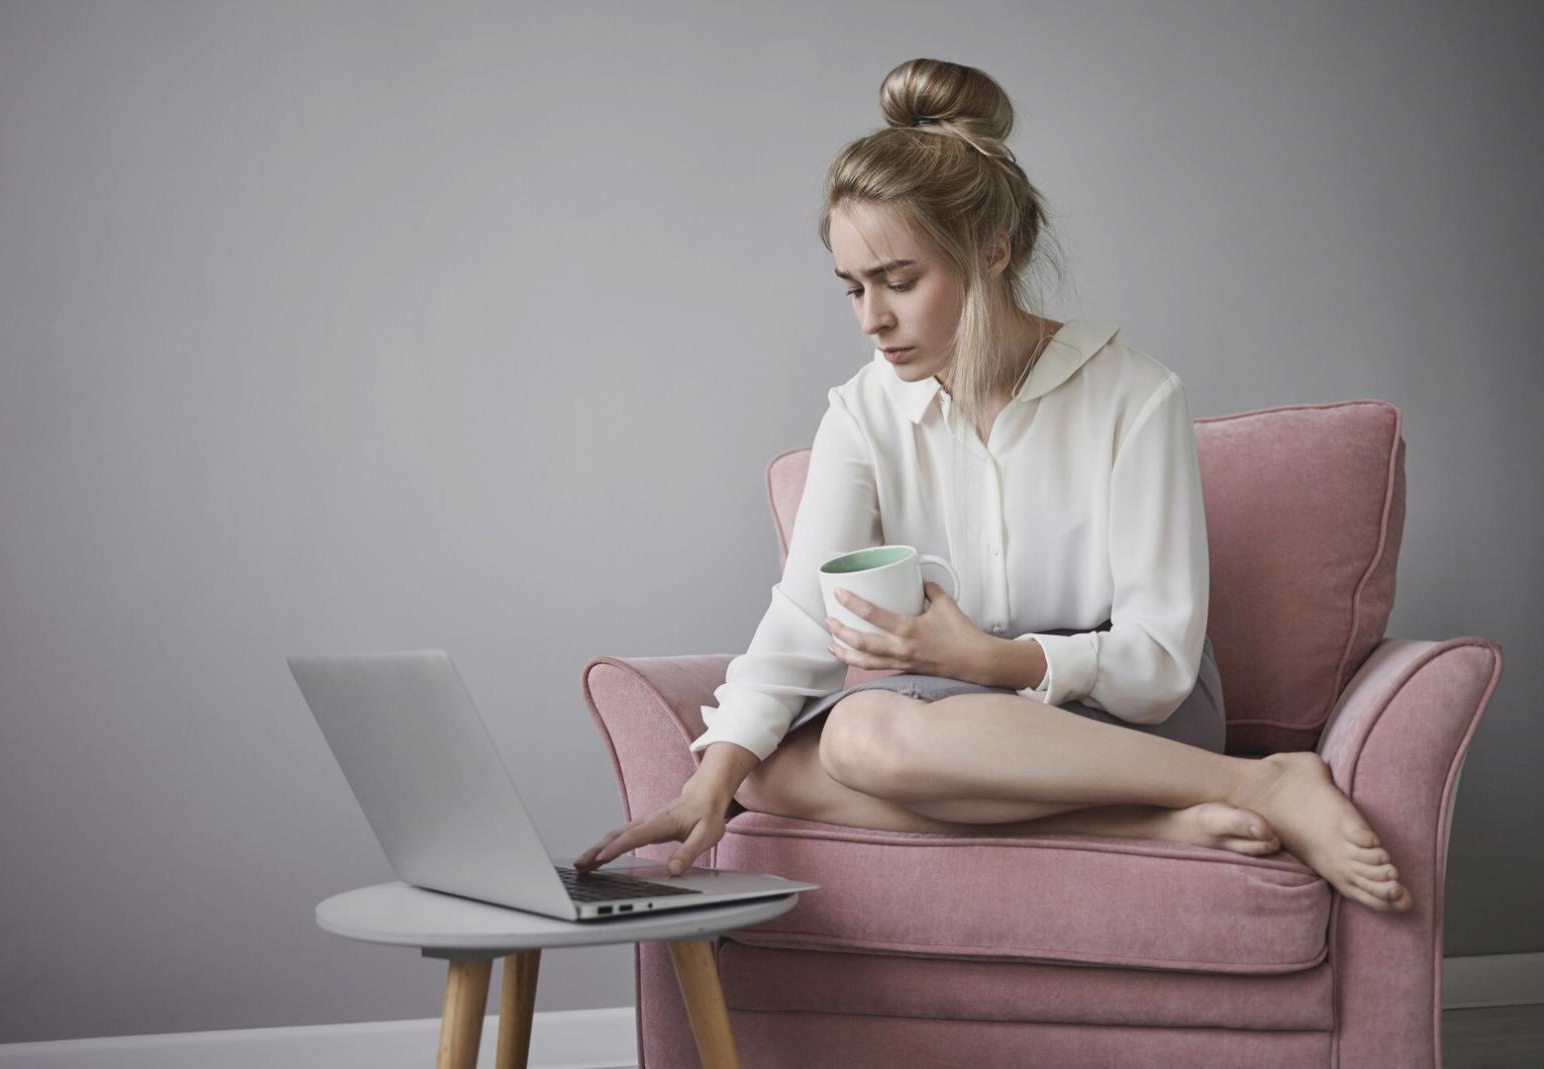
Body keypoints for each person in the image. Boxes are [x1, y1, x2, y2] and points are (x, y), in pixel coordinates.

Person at [576, 58, 1411, 914]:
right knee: (764, 771)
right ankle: (1152, 822)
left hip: (1129, 709)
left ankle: (1257, 781)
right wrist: (709, 783)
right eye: (854, 288)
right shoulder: (863, 411)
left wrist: (989, 658)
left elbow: (1161, 661)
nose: (873, 318)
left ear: (992, 251)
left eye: (900, 281)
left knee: (859, 735)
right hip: (960, 718)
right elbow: (803, 618)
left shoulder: (1134, 394)